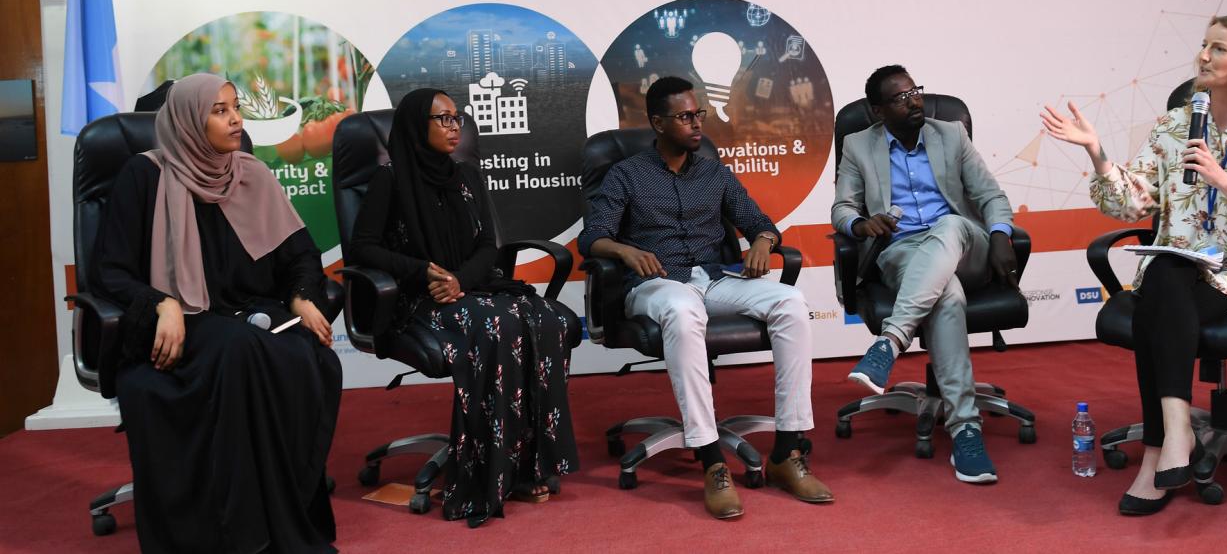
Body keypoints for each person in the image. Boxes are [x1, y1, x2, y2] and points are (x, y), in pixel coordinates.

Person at [1041, 15, 1227, 516]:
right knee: (1164, 271)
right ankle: (1176, 433)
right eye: (1203, 45)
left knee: (1155, 304)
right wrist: (1096, 152)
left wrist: (1225, 181)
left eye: (1219, 48)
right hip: (1181, 263)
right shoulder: (1175, 125)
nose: (1203, 55)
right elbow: (1131, 203)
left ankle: (1155, 453)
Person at [93, 73, 341, 553]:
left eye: (236, 108)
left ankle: (284, 509)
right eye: (219, 110)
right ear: (189, 120)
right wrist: (162, 302)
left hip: (250, 314)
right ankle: (243, 534)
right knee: (239, 349)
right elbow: (110, 273)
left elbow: (301, 256)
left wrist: (300, 297)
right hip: (183, 323)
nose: (235, 120)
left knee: (312, 356)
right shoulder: (144, 176)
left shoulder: (252, 174)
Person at [578, 76, 833, 520]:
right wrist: (624, 251)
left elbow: (758, 221)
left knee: (790, 302)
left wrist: (763, 241)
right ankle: (713, 460)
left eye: (698, 114)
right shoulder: (626, 174)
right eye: (684, 117)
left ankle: (787, 452)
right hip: (656, 284)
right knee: (682, 308)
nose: (697, 124)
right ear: (658, 123)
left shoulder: (714, 172)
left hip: (714, 278)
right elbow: (592, 236)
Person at [348, 88, 578, 528]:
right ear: (417, 126)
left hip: (469, 286)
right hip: (419, 298)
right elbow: (365, 248)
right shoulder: (389, 180)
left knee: (547, 317)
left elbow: (488, 245)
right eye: (443, 119)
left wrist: (460, 279)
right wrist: (423, 272)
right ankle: (487, 470)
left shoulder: (467, 175)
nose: (455, 127)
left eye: (457, 118)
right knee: (497, 325)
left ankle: (528, 462)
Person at [833, 66, 1019, 484]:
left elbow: (990, 195)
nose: (914, 100)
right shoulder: (858, 145)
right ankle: (966, 430)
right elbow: (842, 208)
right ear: (878, 111)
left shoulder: (951, 134)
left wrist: (1001, 233)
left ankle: (890, 342)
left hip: (965, 244)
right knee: (946, 295)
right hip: (903, 251)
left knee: (949, 226)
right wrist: (861, 224)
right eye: (900, 98)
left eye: (915, 91)